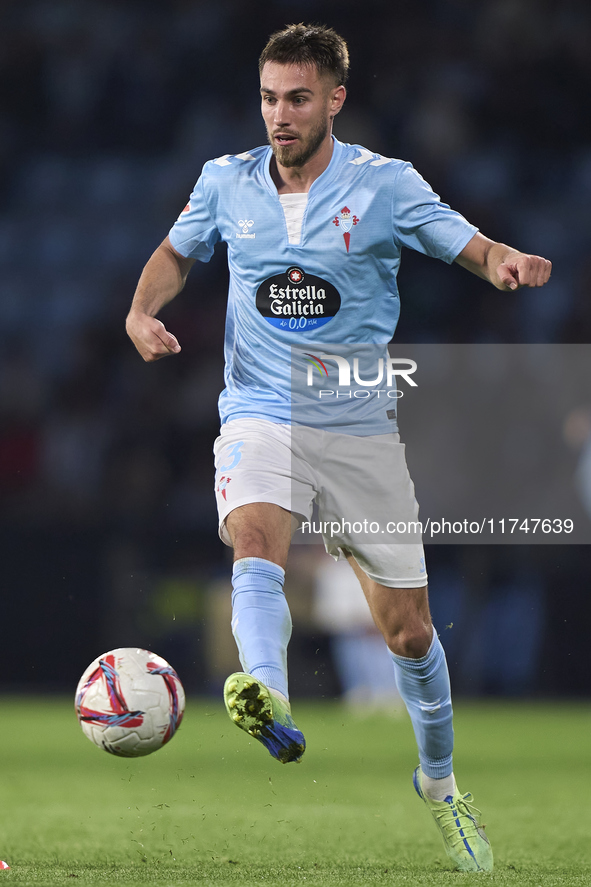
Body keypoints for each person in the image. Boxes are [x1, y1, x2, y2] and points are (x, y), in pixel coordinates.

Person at [126, 23, 551, 873]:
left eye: (296, 99)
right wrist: (141, 310)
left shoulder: (384, 185)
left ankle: (440, 785)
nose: (279, 116)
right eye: (268, 98)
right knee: (254, 538)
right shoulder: (224, 181)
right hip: (258, 408)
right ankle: (265, 694)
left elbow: (464, 242)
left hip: (357, 425)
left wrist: (501, 261)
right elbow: (174, 256)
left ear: (333, 101)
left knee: (407, 631)